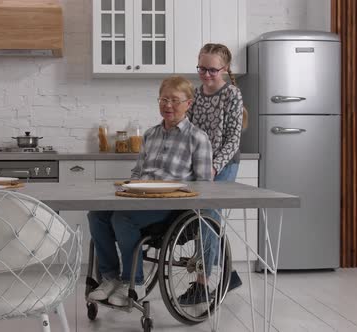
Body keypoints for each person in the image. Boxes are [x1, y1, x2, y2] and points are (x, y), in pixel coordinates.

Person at [87, 76, 214, 306]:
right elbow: (138, 172)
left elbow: (204, 185)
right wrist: (129, 186)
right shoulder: (150, 134)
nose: (168, 105)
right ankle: (110, 278)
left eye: (175, 100)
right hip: (140, 199)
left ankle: (133, 282)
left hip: (172, 208)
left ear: (189, 103)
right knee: (96, 215)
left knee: (122, 219)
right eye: (164, 99)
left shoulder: (197, 138)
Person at [178, 43, 247, 305]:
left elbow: (233, 139)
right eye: (202, 69)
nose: (207, 74)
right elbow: (188, 132)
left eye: (212, 70)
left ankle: (202, 283)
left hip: (225, 163)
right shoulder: (195, 94)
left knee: (207, 217)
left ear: (225, 68)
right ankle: (230, 274)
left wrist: (215, 165)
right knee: (202, 219)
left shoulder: (232, 95)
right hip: (199, 165)